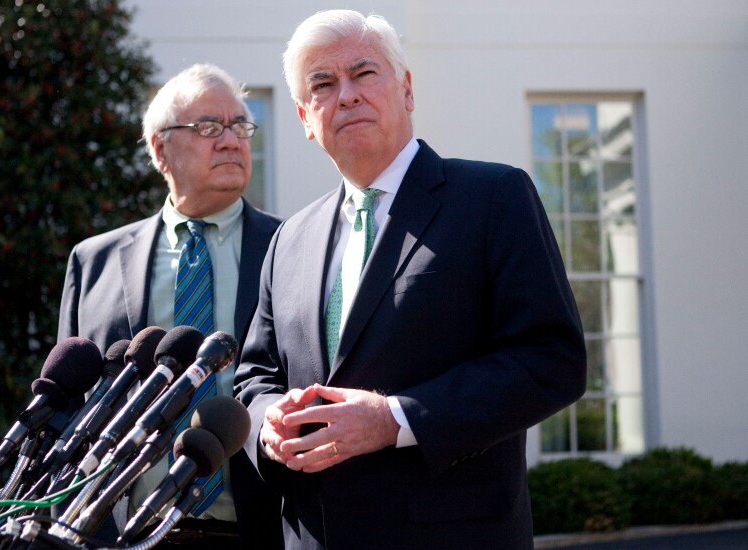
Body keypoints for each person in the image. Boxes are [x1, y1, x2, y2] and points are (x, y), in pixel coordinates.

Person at [234, 10, 587, 549]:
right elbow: (254, 376)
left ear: (407, 90)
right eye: (323, 85)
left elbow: (551, 360)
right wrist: (267, 424)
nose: (346, 95)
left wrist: (393, 419)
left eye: (364, 73)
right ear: (306, 117)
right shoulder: (290, 239)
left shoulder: (493, 197)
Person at [57, 63, 283, 550]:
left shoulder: (294, 249)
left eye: (240, 126)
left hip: (260, 529)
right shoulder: (93, 261)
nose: (230, 140)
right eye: (208, 127)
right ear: (160, 148)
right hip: (120, 535)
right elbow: (69, 412)